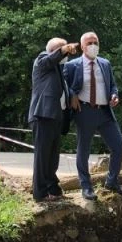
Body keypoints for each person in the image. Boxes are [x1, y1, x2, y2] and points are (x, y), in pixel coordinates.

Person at [63, 31, 122, 201]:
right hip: (84, 111)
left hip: (105, 112)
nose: (93, 46)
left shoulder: (105, 64)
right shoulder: (72, 65)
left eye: (96, 42)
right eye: (89, 43)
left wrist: (114, 95)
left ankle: (112, 182)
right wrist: (72, 94)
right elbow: (63, 85)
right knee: (83, 150)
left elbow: (112, 85)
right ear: (82, 46)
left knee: (119, 146)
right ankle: (86, 186)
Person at [28, 37, 79, 202]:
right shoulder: (42, 60)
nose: (66, 54)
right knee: (43, 157)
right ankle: (40, 194)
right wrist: (64, 49)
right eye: (62, 50)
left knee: (52, 158)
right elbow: (49, 60)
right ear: (53, 51)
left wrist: (72, 95)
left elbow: (64, 89)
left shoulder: (59, 69)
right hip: (43, 115)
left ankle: (53, 189)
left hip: (56, 117)